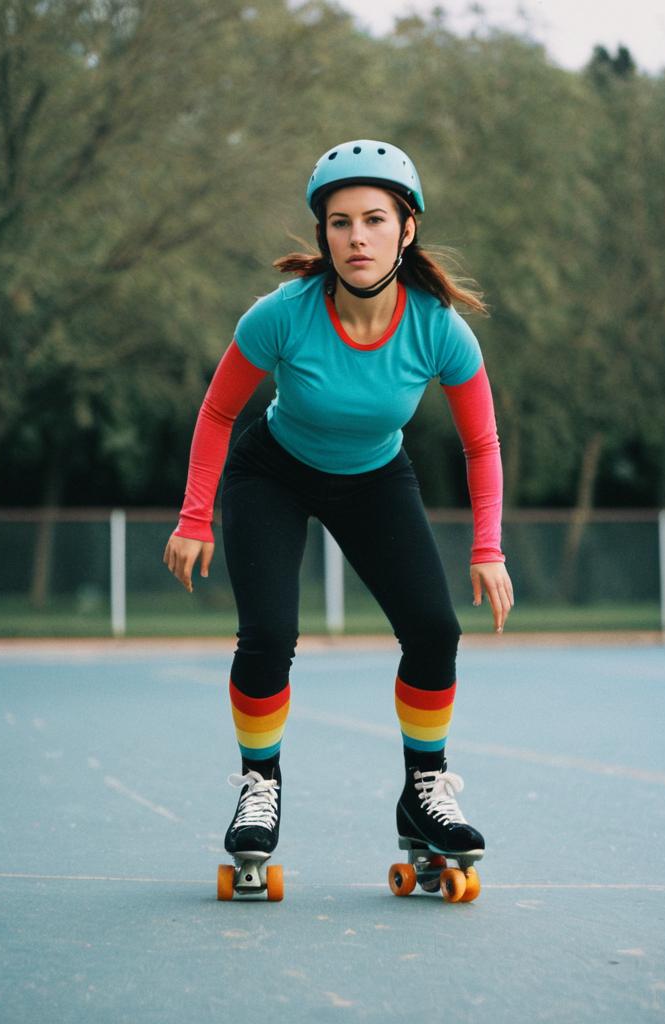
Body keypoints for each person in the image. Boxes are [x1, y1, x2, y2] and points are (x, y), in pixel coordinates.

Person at [164, 139, 513, 874]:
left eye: (375, 219)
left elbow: (481, 444)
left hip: (376, 478)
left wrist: (489, 547)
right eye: (340, 222)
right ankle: (259, 787)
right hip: (274, 473)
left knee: (433, 630)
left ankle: (424, 790)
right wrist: (195, 516)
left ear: (406, 229)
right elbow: (218, 412)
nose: (358, 237)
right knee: (268, 634)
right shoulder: (281, 316)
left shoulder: (439, 329)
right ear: (322, 234)